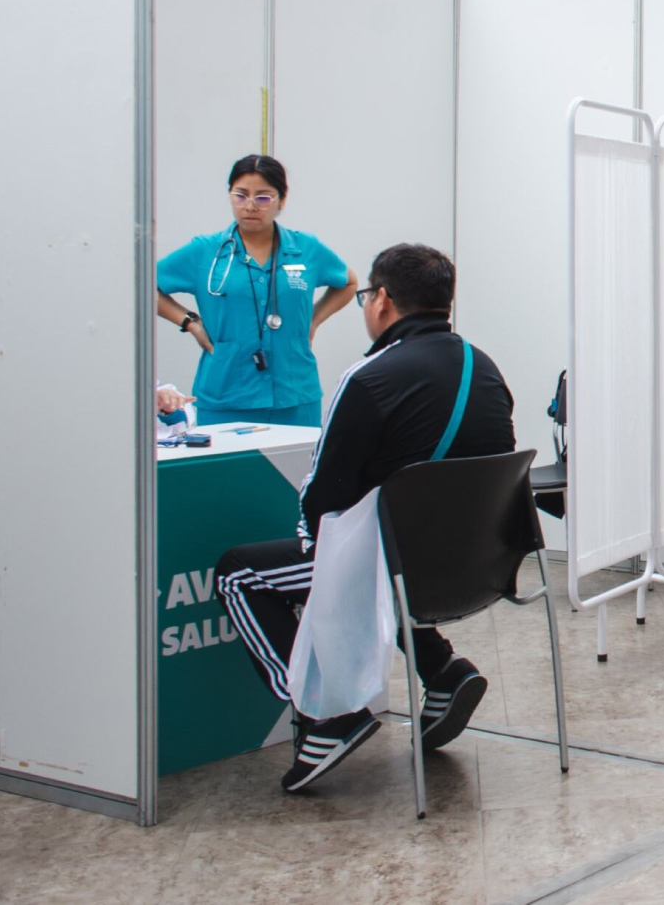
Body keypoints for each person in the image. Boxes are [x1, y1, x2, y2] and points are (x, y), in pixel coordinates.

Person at [216, 244, 516, 792]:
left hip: (399, 569)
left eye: (363, 298)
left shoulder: (369, 377)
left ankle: (327, 713)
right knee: (394, 540)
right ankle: (443, 672)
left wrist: (320, 554)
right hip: (476, 566)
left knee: (240, 572)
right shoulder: (484, 366)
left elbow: (321, 499)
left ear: (381, 301)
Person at [156, 155, 357, 427]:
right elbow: (143, 287)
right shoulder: (205, 251)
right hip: (226, 394)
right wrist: (189, 322)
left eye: (263, 198)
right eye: (241, 195)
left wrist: (313, 320)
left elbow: (347, 283)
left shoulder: (306, 248)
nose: (250, 206)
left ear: (281, 201)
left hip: (294, 394)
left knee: (296, 469)